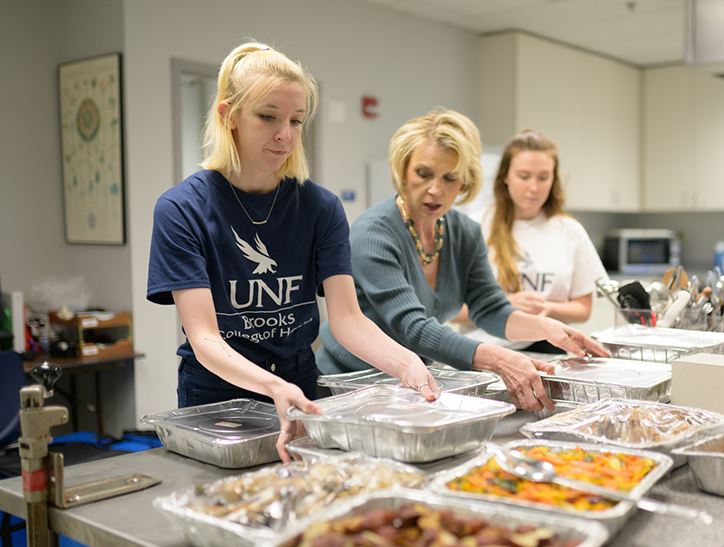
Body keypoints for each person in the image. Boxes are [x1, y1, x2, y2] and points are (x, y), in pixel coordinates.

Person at [147, 42, 438, 462]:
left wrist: (406, 364)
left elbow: (347, 319)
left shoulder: (320, 207)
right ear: (229, 116)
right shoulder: (182, 209)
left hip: (299, 381)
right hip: (217, 393)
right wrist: (272, 387)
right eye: (268, 117)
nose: (285, 135)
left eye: (296, 121)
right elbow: (205, 338)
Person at [315, 109, 608, 412]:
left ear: (465, 182)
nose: (435, 189)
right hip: (347, 384)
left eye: (450, 178)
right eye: (424, 173)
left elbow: (490, 308)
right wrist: (498, 359)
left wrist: (546, 328)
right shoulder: (373, 234)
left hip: (411, 383)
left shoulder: (464, 231)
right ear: (403, 171)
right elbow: (412, 327)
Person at [455, 129, 608, 352]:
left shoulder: (570, 231)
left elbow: (583, 308)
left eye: (543, 177)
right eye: (524, 176)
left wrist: (546, 309)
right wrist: (505, 306)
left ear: (554, 179)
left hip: (550, 352)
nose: (534, 188)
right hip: (487, 353)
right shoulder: (473, 227)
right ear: (505, 176)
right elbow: (451, 309)